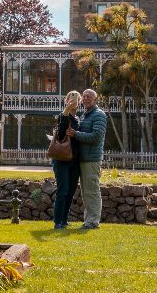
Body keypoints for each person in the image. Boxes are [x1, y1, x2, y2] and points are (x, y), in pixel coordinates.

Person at [66, 88, 107, 229]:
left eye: (89, 96)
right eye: (84, 96)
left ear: (95, 99)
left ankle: (93, 222)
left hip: (92, 159)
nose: (85, 98)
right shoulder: (84, 115)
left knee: (92, 191)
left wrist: (75, 134)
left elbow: (95, 137)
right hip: (83, 158)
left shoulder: (99, 115)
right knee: (86, 192)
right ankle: (88, 220)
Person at [51, 90, 81, 229]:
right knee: (62, 190)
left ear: (79, 102)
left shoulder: (77, 120)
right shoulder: (62, 116)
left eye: (76, 98)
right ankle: (57, 222)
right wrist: (65, 111)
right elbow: (61, 132)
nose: (73, 100)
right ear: (66, 101)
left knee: (70, 191)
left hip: (74, 161)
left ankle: (64, 219)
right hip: (62, 160)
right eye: (70, 98)